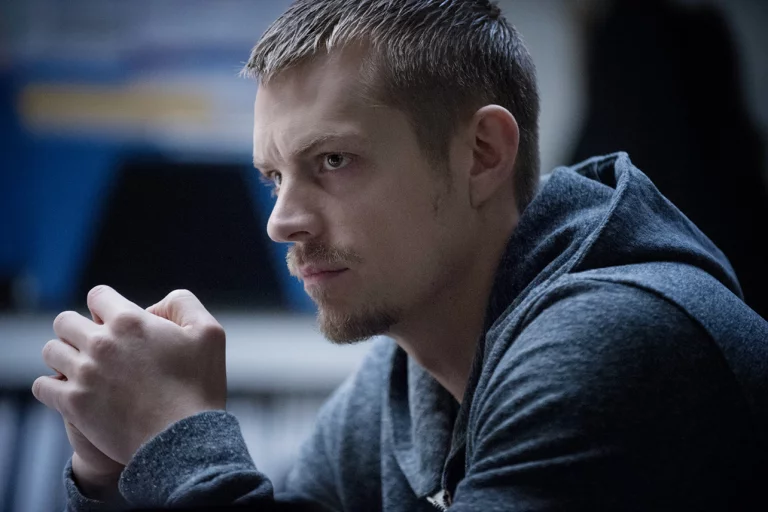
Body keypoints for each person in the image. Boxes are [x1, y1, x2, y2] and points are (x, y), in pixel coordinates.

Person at [32, 1, 768, 510]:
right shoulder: (406, 380)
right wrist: (115, 474)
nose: (281, 223)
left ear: (482, 154)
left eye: (333, 161)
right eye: (274, 177)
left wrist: (175, 438)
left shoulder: (612, 345)